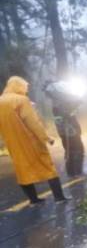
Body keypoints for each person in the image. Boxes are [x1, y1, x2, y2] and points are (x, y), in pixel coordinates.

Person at [0, 76, 68, 204]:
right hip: (31, 142)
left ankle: (33, 199)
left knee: (22, 171)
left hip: (13, 145)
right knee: (48, 168)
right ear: (18, 86)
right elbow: (33, 123)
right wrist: (46, 138)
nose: (26, 89)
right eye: (25, 86)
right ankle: (59, 197)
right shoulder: (22, 100)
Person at [44, 81, 85, 177]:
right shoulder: (60, 105)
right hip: (70, 131)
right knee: (77, 149)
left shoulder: (59, 103)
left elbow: (68, 114)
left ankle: (72, 172)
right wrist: (74, 106)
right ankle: (76, 172)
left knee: (71, 150)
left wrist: (76, 104)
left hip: (66, 131)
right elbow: (64, 117)